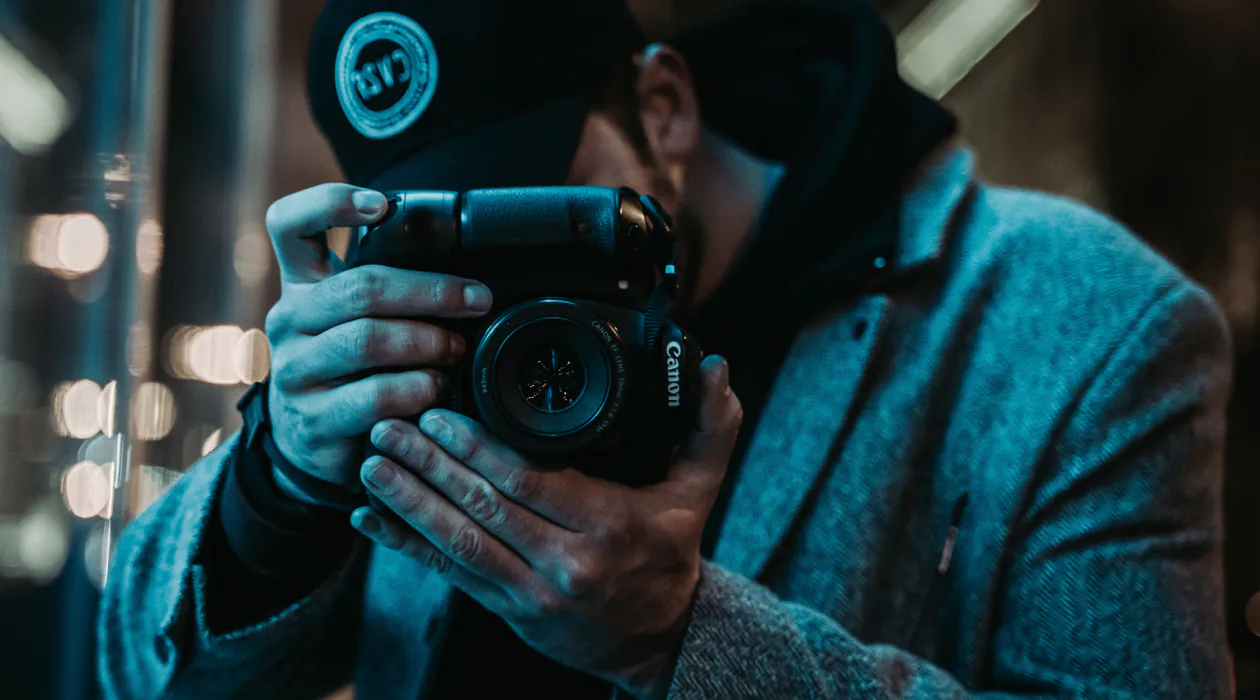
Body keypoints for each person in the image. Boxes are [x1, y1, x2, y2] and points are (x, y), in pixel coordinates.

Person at [98, 0, 1235, 698]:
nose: (501, 274)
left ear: (667, 108)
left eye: (536, 202)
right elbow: (142, 673)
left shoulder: (1075, 317)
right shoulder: (425, 321)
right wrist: (279, 480)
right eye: (449, 225)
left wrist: (678, 641)